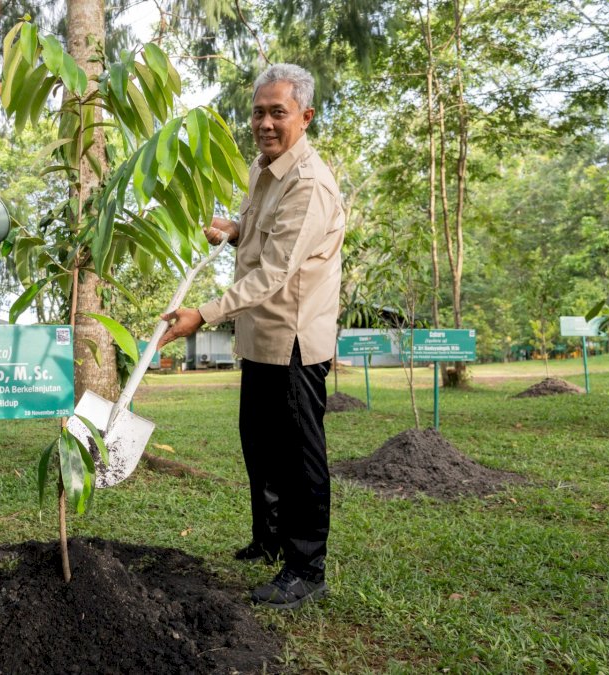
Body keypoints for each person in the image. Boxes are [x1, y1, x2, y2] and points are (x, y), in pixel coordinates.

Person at [157, 64, 345, 610]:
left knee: (298, 458)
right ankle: (269, 540)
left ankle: (306, 568)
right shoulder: (266, 170)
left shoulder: (308, 183)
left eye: (277, 112)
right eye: (259, 112)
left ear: (305, 117)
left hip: (291, 342)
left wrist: (203, 313)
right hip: (259, 338)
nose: (264, 123)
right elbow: (262, 237)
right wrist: (236, 229)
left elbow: (275, 273)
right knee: (261, 450)